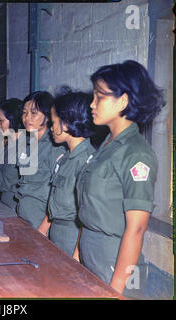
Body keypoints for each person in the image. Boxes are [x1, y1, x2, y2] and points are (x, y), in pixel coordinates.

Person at [76, 60, 164, 298]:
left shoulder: (136, 154)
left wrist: (115, 290)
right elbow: (90, 210)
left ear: (123, 101)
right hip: (90, 254)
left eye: (99, 97)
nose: (92, 104)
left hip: (113, 264)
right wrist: (75, 259)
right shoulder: (106, 145)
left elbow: (136, 229)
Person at [46, 87, 95, 258]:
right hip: (57, 233)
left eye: (52, 122)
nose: (50, 128)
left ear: (66, 122)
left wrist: (76, 256)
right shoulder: (65, 157)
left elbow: (87, 216)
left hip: (72, 238)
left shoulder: (87, 160)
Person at [15, 91, 66, 231]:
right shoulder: (27, 144)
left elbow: (57, 194)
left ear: (48, 116)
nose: (27, 118)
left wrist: (43, 228)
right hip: (24, 214)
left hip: (41, 221)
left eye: (34, 113)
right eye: (24, 113)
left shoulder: (55, 148)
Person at [0, 98, 23, 210]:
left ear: (13, 120)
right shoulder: (8, 145)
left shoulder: (25, 147)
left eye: (1, 120)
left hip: (16, 204)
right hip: (4, 200)